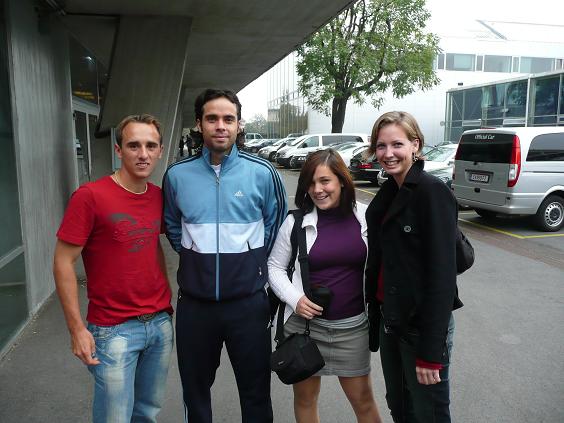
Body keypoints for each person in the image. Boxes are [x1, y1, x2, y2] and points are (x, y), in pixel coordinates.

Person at [162, 88, 287, 423]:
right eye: (212, 118)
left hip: (248, 305)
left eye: (228, 119)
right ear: (199, 124)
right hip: (195, 306)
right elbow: (173, 226)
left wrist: (250, 265)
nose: (221, 126)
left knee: (256, 393)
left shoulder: (263, 172)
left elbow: (275, 228)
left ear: (239, 124)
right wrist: (197, 259)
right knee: (195, 393)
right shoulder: (177, 175)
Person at [53, 114, 174, 423]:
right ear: (118, 150)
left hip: (159, 323)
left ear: (160, 151)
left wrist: (166, 300)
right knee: (115, 418)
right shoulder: (90, 196)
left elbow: (151, 245)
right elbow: (63, 262)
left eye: (151, 146)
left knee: (147, 413)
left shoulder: (157, 196)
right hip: (113, 329)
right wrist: (76, 330)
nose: (143, 154)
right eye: (134, 145)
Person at [268, 149, 382, 423]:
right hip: (305, 329)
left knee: (364, 402)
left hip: (353, 329)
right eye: (311, 183)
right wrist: (295, 299)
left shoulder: (366, 217)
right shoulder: (295, 222)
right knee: (305, 400)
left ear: (342, 180)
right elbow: (274, 267)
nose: (317, 190)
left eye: (325, 181)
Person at [365, 111, 463, 422]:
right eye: (381, 146)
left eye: (397, 144)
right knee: (400, 407)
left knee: (428, 413)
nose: (388, 153)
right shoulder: (390, 190)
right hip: (391, 319)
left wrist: (431, 352)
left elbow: (442, 277)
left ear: (415, 145)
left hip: (421, 327)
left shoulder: (432, 192)